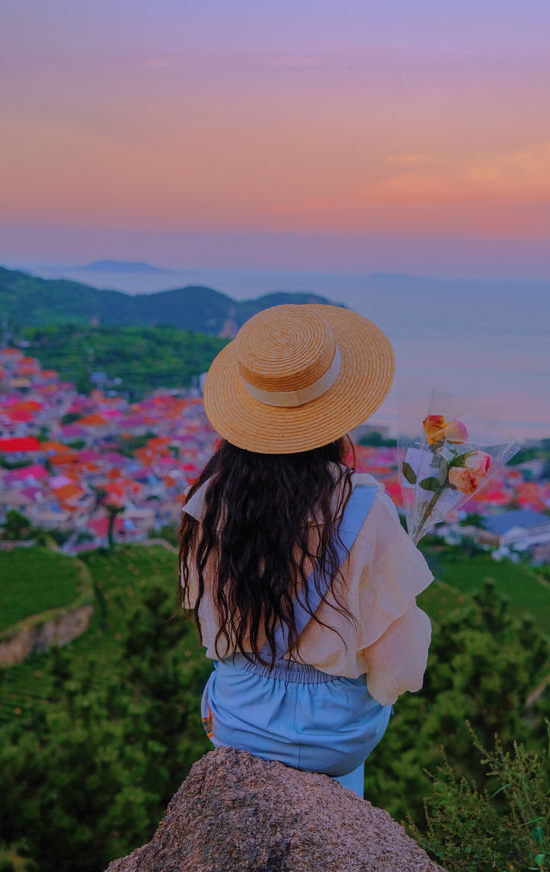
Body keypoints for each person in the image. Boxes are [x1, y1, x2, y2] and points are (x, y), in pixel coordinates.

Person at [179, 303, 433, 797]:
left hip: (237, 720)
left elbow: (212, 625)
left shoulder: (211, 501)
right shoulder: (364, 506)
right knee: (344, 759)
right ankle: (341, 828)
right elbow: (397, 664)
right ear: (336, 410)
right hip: (338, 738)